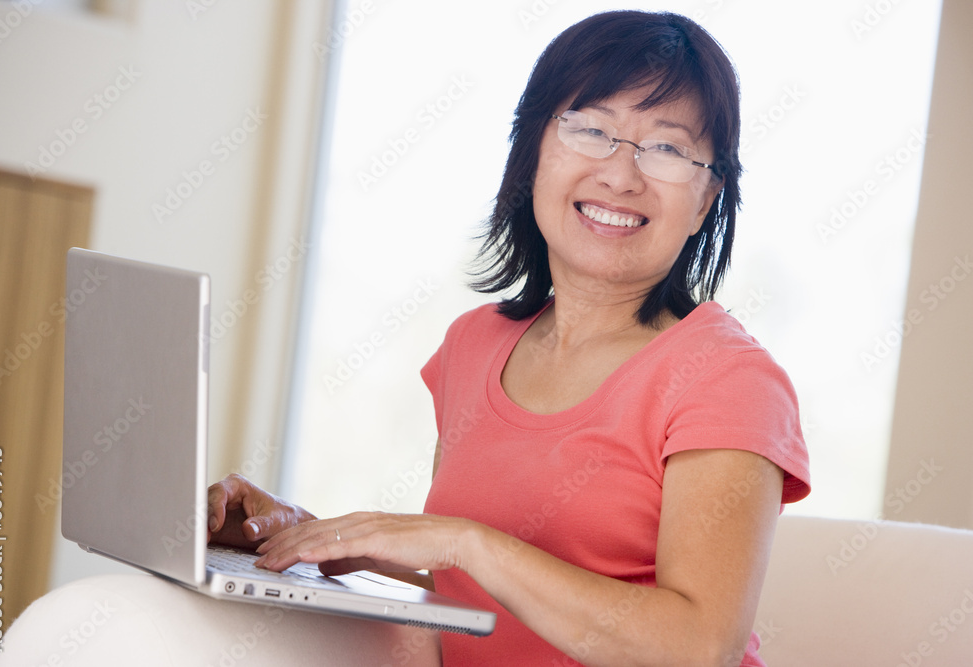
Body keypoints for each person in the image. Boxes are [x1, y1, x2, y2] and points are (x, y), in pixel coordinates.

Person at [207, 10, 810, 666]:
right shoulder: (475, 345)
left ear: (705, 197)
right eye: (592, 129)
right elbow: (473, 598)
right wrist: (313, 540)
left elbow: (697, 646)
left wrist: (466, 540)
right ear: (535, 152)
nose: (622, 174)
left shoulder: (729, 380)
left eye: (666, 147)